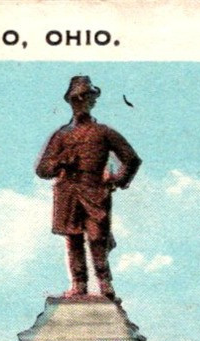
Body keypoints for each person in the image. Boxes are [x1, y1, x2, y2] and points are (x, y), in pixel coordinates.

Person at [36, 75, 141, 299]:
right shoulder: (62, 135)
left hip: (95, 191)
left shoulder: (104, 132)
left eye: (85, 97)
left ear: (92, 100)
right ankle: (79, 284)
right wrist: (62, 160)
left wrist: (117, 180)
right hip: (68, 192)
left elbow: (131, 159)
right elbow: (43, 169)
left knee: (97, 239)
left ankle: (105, 284)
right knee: (73, 240)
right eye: (76, 98)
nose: (80, 102)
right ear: (71, 102)